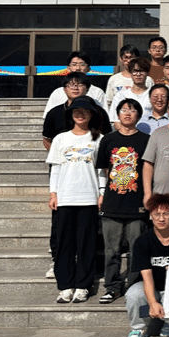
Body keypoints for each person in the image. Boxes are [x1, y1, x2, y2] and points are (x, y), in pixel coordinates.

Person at [46, 96, 106, 304]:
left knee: (86, 244)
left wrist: (102, 192)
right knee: (64, 244)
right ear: (71, 115)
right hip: (65, 197)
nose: (81, 115)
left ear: (92, 115)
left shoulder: (99, 139)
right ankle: (65, 286)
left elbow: (102, 170)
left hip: (88, 197)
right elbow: (55, 168)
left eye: (85, 111)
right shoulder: (61, 139)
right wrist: (53, 193)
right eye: (77, 111)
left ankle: (83, 286)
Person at [95, 99, 151, 304]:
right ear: (118, 114)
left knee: (137, 249)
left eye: (132, 110)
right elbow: (103, 169)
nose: (128, 113)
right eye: (124, 110)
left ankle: (134, 288)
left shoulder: (146, 139)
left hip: (137, 202)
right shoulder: (108, 140)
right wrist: (102, 193)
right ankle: (112, 287)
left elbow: (149, 169)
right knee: (112, 250)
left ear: (139, 115)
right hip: (112, 202)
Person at [124, 193, 169, 337]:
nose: (161, 218)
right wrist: (152, 303)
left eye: (166, 214)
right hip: (153, 286)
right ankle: (138, 329)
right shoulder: (143, 241)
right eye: (157, 214)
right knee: (134, 294)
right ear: (150, 215)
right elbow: (146, 275)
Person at [42, 51, 106, 118]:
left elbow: (104, 116)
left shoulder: (97, 92)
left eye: (82, 65)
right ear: (68, 68)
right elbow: (49, 116)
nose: (78, 68)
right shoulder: (57, 93)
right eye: (74, 64)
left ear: (88, 69)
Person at [109, 57, 152, 128]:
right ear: (130, 73)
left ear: (147, 73)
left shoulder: (153, 95)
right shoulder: (121, 96)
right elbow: (116, 121)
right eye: (135, 71)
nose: (138, 74)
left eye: (142, 71)